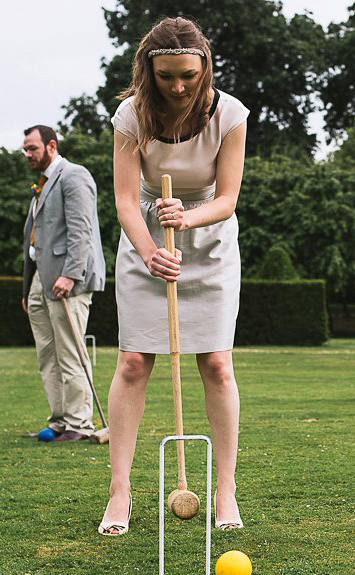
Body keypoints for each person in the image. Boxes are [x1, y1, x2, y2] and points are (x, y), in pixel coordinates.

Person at [99, 17, 248, 536]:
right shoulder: (130, 115)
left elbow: (227, 198)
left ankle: (225, 491)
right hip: (146, 232)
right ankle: (120, 492)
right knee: (135, 362)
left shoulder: (229, 114)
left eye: (187, 74)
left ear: (204, 67)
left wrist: (187, 218)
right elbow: (122, 199)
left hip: (207, 238)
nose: (178, 86)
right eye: (166, 77)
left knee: (218, 365)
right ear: (149, 71)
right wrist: (148, 253)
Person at [21, 125, 106, 442]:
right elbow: (35, 239)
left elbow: (81, 231)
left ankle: (79, 424)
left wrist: (70, 275)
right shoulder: (41, 184)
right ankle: (59, 421)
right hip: (41, 281)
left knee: (70, 353)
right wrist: (27, 288)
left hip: (68, 280)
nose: (27, 154)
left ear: (51, 146)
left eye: (32, 148)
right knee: (47, 355)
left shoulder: (74, 176)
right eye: (25, 150)